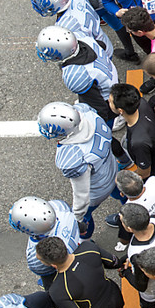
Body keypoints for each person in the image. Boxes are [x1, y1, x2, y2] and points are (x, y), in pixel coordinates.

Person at [34, 237, 136, 308]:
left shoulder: (57, 290)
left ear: (53, 265)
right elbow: (114, 262)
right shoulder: (88, 248)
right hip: (112, 295)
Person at [36, 102, 116, 238]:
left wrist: (77, 217)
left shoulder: (74, 157)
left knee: (84, 218)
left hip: (98, 187)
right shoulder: (88, 114)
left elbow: (82, 195)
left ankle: (85, 241)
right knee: (121, 192)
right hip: (111, 167)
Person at [8, 197, 81, 290]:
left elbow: (43, 270)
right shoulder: (60, 207)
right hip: (78, 248)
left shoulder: (35, 255)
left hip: (64, 266)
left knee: (50, 283)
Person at [109, 83, 155, 182]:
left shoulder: (138, 143)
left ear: (120, 110)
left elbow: (145, 172)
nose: (108, 103)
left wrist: (130, 177)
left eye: (110, 102)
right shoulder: (142, 103)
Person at [119, 204, 155, 308]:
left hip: (152, 292)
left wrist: (125, 272)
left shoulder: (138, 255)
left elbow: (141, 286)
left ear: (129, 228)